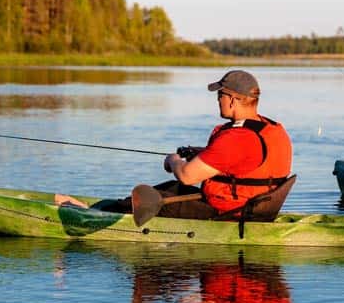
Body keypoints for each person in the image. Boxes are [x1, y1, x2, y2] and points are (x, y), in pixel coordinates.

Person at [61, 69, 293, 220]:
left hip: (229, 212)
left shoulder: (236, 138)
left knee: (163, 197)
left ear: (232, 99)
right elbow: (244, 164)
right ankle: (103, 209)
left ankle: (88, 216)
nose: (217, 99)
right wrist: (199, 153)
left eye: (220, 94)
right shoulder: (270, 128)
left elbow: (188, 176)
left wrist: (174, 161)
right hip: (251, 208)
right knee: (169, 189)